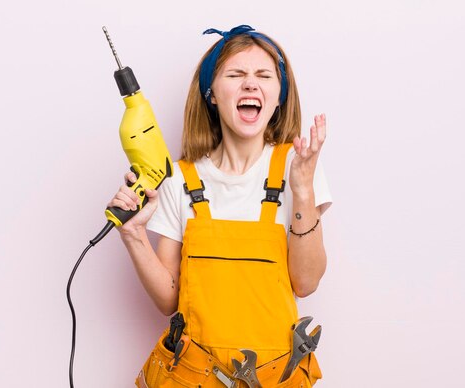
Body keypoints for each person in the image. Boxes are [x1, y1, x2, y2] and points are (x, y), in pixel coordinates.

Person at [108, 25, 332, 387]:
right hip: (191, 377)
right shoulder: (180, 178)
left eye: (264, 75)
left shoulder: (299, 166)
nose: (250, 84)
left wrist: (303, 189)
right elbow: (169, 299)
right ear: (212, 94)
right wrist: (133, 234)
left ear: (279, 97)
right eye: (235, 74)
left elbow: (306, 282)